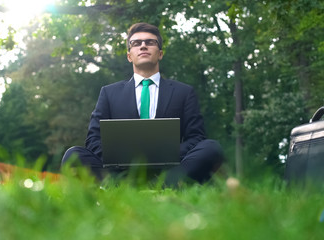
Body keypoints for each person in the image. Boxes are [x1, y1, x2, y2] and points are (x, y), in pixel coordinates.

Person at [61, 22, 224, 185]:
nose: (143, 46)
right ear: (129, 56)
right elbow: (93, 140)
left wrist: (163, 154)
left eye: (150, 42)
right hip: (121, 170)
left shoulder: (184, 92)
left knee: (211, 148)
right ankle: (128, 185)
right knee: (73, 155)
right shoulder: (109, 93)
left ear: (160, 53)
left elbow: (196, 137)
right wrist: (123, 157)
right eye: (136, 43)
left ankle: (160, 185)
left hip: (170, 169)